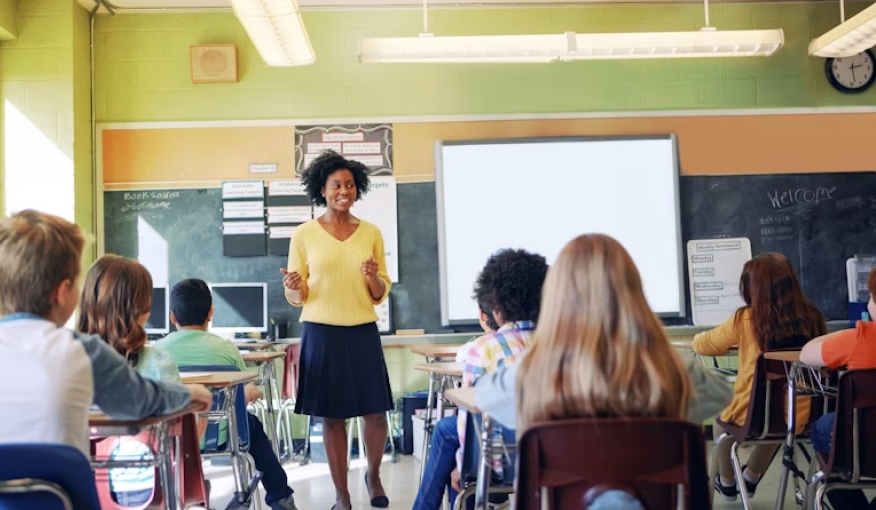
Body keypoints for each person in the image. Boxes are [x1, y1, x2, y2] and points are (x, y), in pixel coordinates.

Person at [474, 234, 733, 510]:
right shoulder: (676, 368)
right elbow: (722, 394)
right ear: (632, 292)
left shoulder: (531, 373)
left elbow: (485, 394)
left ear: (555, 297)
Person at [0, 210, 212, 458]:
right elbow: (139, 400)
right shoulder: (83, 351)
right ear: (63, 292)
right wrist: (191, 393)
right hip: (61, 492)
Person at [282, 150, 392, 510]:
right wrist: (296, 285)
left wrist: (373, 276)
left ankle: (373, 476)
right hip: (321, 333)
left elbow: (379, 294)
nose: (343, 190)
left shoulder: (371, 232)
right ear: (322, 190)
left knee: (375, 411)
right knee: (332, 417)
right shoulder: (303, 234)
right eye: (336, 185)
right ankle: (341, 494)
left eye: (349, 185)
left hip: (361, 329)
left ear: (357, 189)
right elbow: (297, 294)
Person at [412, 248, 549, 510]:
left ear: (494, 307)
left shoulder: (484, 349)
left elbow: (470, 419)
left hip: (502, 462)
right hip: (555, 458)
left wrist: (463, 467)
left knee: (448, 431)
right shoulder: (563, 344)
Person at [155, 279, 298, 510]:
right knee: (252, 426)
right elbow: (245, 392)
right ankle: (281, 497)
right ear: (210, 313)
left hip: (170, 438)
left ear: (172, 317)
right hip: (221, 436)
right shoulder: (226, 349)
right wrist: (254, 392)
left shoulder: (157, 351)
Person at [693, 252, 825, 502]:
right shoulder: (813, 317)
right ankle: (751, 477)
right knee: (779, 415)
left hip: (755, 414)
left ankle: (728, 483)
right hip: (803, 417)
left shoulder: (745, 319)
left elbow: (704, 345)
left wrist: (697, 338)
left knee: (724, 412)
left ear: (753, 287)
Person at [76, 254, 186, 506]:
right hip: (142, 491)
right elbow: (180, 437)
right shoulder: (159, 362)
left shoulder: (64, 360)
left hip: (74, 487)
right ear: (144, 309)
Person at [799, 267, 876, 510]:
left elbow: (806, 354)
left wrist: (848, 332)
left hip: (864, 443)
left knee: (822, 428)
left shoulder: (859, 338)